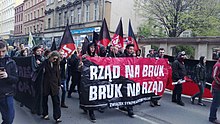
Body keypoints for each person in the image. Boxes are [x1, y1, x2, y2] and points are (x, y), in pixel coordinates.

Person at [0, 40, 19, 124]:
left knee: (9, 119)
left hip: (7, 94)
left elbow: (16, 79)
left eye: (3, 51)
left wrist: (7, 76)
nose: (1, 54)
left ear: (7, 50)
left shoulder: (11, 62)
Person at [41, 51, 62, 123]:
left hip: (54, 85)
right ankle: (45, 113)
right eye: (54, 58)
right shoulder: (45, 63)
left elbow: (58, 75)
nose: (55, 60)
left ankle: (57, 117)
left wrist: (59, 84)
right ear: (50, 57)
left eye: (56, 59)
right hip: (46, 84)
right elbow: (40, 72)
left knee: (56, 101)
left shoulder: (57, 64)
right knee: (44, 100)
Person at [209, 53, 220, 124]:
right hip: (217, 87)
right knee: (215, 103)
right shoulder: (218, 65)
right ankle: (212, 118)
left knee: (217, 103)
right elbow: (214, 76)